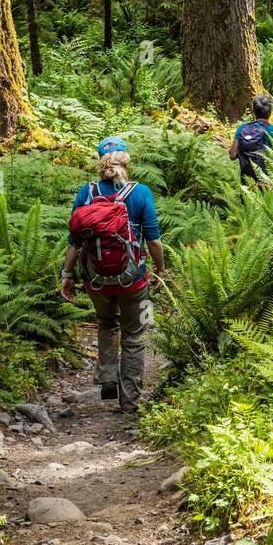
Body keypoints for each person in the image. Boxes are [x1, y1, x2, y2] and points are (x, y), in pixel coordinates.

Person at [60, 136, 165, 415]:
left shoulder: (87, 192)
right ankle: (130, 402)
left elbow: (74, 240)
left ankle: (107, 377)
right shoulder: (140, 193)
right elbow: (153, 240)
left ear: (100, 163)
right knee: (134, 334)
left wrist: (67, 274)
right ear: (126, 161)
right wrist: (161, 270)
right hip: (133, 279)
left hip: (96, 278)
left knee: (107, 323)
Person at [229, 93, 273, 185]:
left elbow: (232, 155)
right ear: (270, 112)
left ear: (253, 111)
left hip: (247, 184)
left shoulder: (242, 128)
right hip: (268, 184)